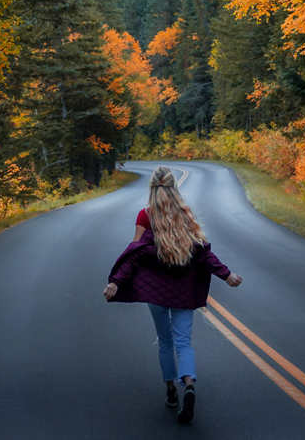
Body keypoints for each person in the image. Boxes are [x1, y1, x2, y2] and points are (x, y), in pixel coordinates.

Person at [104, 167, 243, 423]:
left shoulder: (145, 216)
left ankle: (171, 392)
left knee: (165, 340)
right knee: (183, 341)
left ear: (152, 187)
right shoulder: (185, 214)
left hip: (155, 290)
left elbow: (134, 253)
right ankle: (189, 384)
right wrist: (227, 274)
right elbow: (203, 252)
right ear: (174, 186)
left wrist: (115, 281)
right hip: (183, 290)